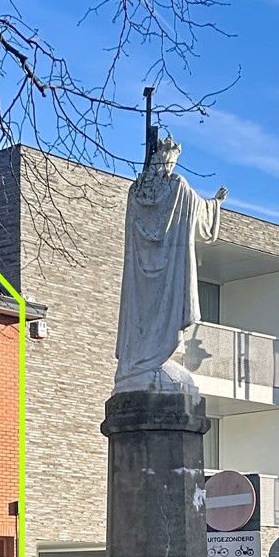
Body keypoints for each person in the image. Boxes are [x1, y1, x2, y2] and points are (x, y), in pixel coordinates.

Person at [113, 133, 226, 395]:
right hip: (168, 273)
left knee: (143, 311)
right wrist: (215, 204)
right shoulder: (177, 186)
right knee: (159, 310)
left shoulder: (136, 191)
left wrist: (213, 204)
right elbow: (200, 212)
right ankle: (155, 359)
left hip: (142, 275)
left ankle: (142, 360)